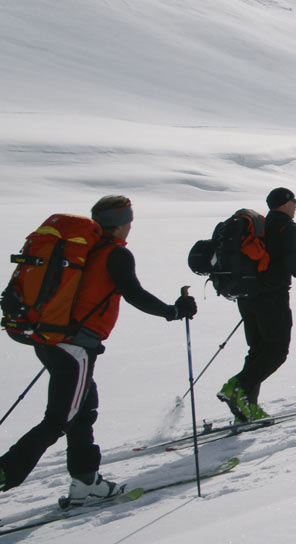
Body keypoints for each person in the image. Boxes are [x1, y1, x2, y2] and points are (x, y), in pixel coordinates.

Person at [0, 196, 196, 504]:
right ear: (120, 223)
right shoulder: (115, 254)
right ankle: (5, 474)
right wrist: (173, 311)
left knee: (83, 411)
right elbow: (133, 293)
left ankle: (86, 481)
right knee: (58, 421)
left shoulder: (84, 249)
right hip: (74, 348)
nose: (131, 226)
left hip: (50, 339)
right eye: (129, 220)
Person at [218, 187, 296, 423]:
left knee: (258, 351)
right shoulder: (286, 226)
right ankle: (236, 388)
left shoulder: (261, 225)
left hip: (248, 296)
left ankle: (246, 408)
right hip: (271, 296)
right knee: (276, 351)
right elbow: (290, 260)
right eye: (294, 201)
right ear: (285, 203)